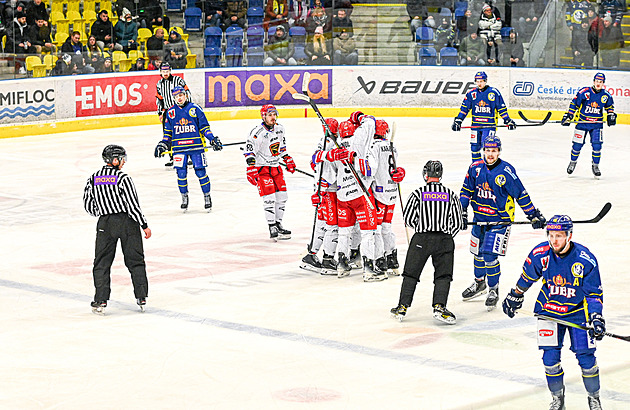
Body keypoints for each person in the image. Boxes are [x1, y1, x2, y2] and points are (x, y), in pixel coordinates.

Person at [502, 215, 605, 410]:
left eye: (559, 235)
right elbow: (527, 277)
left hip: (578, 313)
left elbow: (593, 295)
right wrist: (515, 294)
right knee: (550, 359)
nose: (554, 240)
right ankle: (558, 399)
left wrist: (596, 317)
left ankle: (594, 398)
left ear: (569, 236)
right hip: (548, 311)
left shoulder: (585, 259)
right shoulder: (541, 254)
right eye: (551, 235)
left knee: (586, 358)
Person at [459, 136, 546, 311]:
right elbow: (466, 190)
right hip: (479, 219)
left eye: (494, 151)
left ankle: (493, 289)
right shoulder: (475, 168)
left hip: (499, 221)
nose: (490, 154)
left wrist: (532, 215)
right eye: (488, 150)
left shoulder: (506, 171)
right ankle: (479, 284)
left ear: (499, 151)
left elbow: (520, 194)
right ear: (483, 150)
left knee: (489, 256)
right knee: (477, 254)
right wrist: (462, 211)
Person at [390, 160, 463, 323]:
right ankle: (439, 307)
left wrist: (422, 228)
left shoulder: (418, 193)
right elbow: (458, 223)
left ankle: (402, 307)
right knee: (443, 275)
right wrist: (446, 235)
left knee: (411, 273)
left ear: (426, 174)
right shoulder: (450, 194)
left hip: (421, 239)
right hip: (444, 239)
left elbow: (408, 219)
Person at [83, 145, 151, 314]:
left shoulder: (93, 178)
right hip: (127, 222)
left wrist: (103, 213)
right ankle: (141, 296)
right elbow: (133, 204)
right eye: (121, 159)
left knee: (101, 262)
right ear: (114, 160)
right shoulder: (123, 178)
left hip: (105, 224)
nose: (123, 163)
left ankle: (100, 300)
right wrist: (144, 224)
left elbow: (88, 204)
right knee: (135, 260)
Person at [154, 86, 223, 211]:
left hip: (196, 147)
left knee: (201, 172)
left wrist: (212, 139)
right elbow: (167, 133)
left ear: (185, 95)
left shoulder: (195, 109)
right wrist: (162, 144)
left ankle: (207, 196)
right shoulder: (170, 113)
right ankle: (184, 197)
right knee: (181, 174)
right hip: (179, 149)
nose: (179, 98)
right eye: (176, 96)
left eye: (181, 95)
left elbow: (204, 127)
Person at [243, 104, 296, 241]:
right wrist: (251, 167)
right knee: (269, 198)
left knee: (282, 197)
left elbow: (281, 148)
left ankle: (278, 223)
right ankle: (271, 225)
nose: (273, 117)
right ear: (264, 116)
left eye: (274, 114)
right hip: (262, 169)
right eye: (270, 115)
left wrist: (287, 159)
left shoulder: (280, 129)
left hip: (275, 167)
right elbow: (249, 152)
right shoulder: (257, 132)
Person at [301, 118, 340, 275]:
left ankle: (311, 256)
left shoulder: (325, 142)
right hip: (328, 191)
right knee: (333, 225)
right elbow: (320, 164)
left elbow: (314, 162)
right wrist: (321, 189)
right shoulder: (329, 143)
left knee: (321, 223)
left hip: (323, 190)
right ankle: (328, 260)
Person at [452, 72, 516, 162]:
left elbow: (501, 108)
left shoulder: (493, 92)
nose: (479, 83)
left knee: (488, 147)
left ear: (485, 81)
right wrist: (458, 120)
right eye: (477, 81)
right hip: (475, 126)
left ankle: (486, 168)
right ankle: (476, 168)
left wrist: (507, 120)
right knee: (474, 148)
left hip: (489, 126)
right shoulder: (471, 94)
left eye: (481, 81)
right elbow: (464, 109)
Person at [563, 72, 616, 177]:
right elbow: (574, 103)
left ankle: (595, 166)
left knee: (597, 145)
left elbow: (610, 107)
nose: (598, 84)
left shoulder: (606, 95)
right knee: (577, 145)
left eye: (600, 82)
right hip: (582, 123)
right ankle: (573, 162)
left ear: (603, 83)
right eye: (597, 81)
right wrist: (569, 115)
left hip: (596, 124)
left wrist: (611, 115)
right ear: (593, 81)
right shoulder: (585, 92)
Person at [371, 120, 405, 275]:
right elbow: (395, 168)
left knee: (377, 229)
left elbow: (372, 169)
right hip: (391, 192)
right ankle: (392, 258)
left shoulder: (374, 146)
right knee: (387, 227)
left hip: (379, 192)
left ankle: (380, 260)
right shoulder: (393, 147)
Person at [155, 62, 191, 167]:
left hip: (180, 111)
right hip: (167, 112)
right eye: (163, 71)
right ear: (160, 72)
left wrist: (187, 108)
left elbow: (187, 93)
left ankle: (187, 156)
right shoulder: (159, 84)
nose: (165, 73)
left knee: (183, 133)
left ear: (170, 71)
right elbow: (159, 99)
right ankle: (172, 157)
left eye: (167, 71)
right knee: (168, 134)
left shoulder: (178, 80)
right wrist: (160, 113)